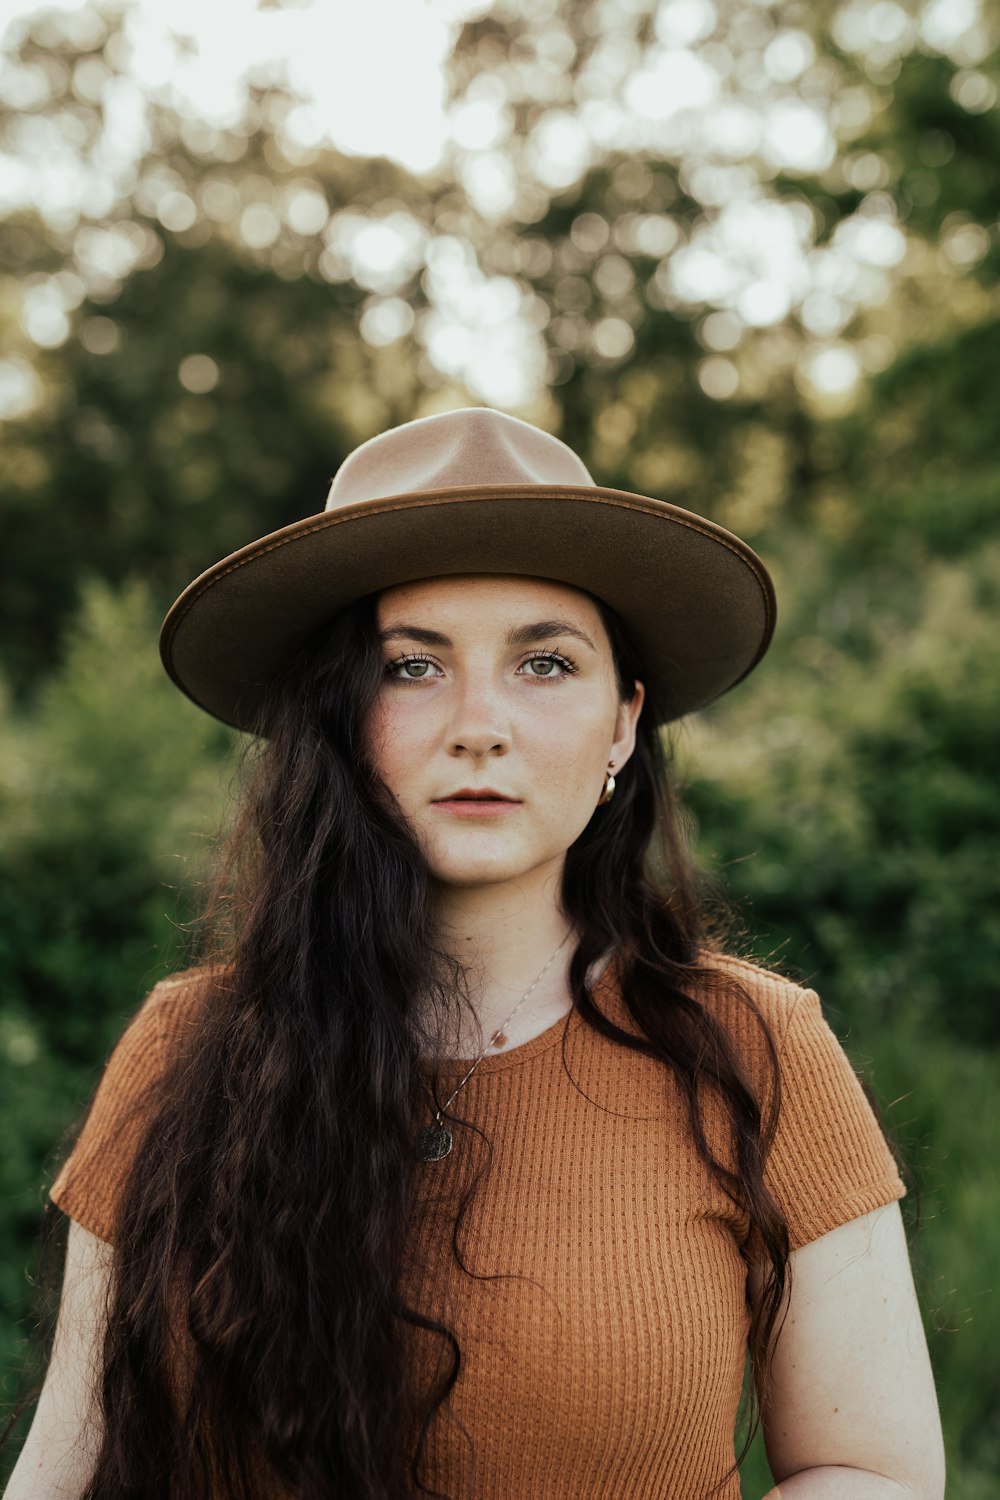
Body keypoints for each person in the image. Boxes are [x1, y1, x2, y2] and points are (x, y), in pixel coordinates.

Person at [6, 407, 944, 1500]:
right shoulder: (184, 1047)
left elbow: (869, 1471)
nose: (479, 724)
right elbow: (64, 1474)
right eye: (411, 668)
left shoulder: (757, 1047)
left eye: (545, 664)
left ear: (623, 723)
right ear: (333, 719)